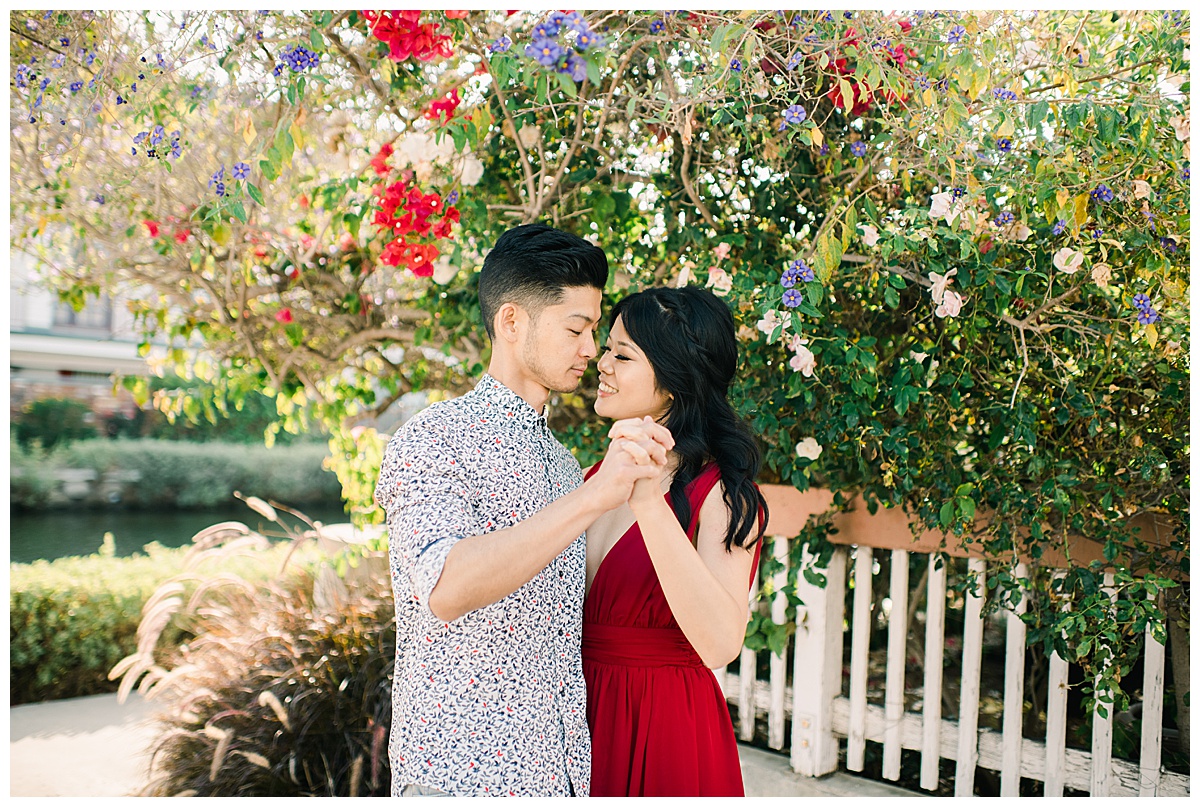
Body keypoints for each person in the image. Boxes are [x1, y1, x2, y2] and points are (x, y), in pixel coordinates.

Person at [373, 224, 672, 797]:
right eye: (577, 329)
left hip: (559, 775)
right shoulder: (432, 439)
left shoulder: (563, 464)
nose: (592, 350)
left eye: (595, 332)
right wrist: (592, 499)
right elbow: (445, 587)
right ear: (512, 322)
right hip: (461, 773)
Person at [581, 285, 769, 797]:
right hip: (576, 721)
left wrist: (648, 503)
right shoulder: (591, 479)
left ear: (673, 379)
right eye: (606, 348)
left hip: (663, 725)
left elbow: (720, 643)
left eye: (623, 354)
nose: (602, 363)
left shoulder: (723, 497)